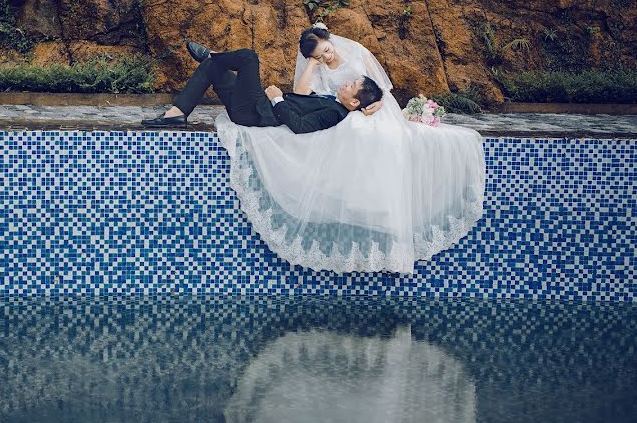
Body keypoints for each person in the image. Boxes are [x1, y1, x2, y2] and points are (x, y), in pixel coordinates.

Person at [215, 23, 486, 274]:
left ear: (331, 41)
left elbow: (382, 87)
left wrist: (377, 104)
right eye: (320, 56)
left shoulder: (357, 52)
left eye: (327, 50)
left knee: (373, 133)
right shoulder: (319, 67)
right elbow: (301, 92)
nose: (327, 57)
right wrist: (312, 64)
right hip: (346, 109)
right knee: (350, 129)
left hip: (372, 105)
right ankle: (355, 198)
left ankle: (377, 203)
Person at [142, 43, 383, 133]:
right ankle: (177, 113)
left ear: (354, 102)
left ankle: (214, 54)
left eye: (351, 85)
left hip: (257, 112)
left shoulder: (335, 113)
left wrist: (278, 99)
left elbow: (300, 126)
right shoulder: (333, 100)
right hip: (254, 108)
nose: (346, 82)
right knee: (211, 68)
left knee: (249, 57)